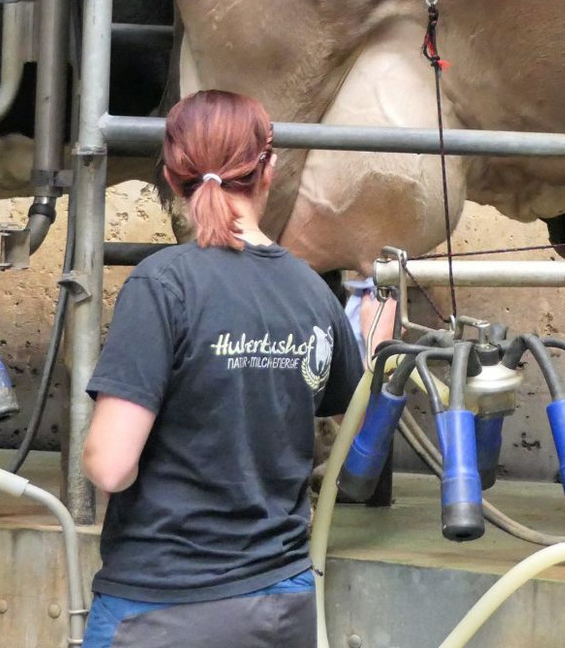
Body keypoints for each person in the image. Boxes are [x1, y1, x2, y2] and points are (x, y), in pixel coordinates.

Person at [81, 89, 364, 648]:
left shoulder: (162, 284)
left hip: (162, 605)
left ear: (168, 173)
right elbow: (347, 421)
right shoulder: (312, 292)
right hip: (281, 602)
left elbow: (111, 467)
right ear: (270, 170)